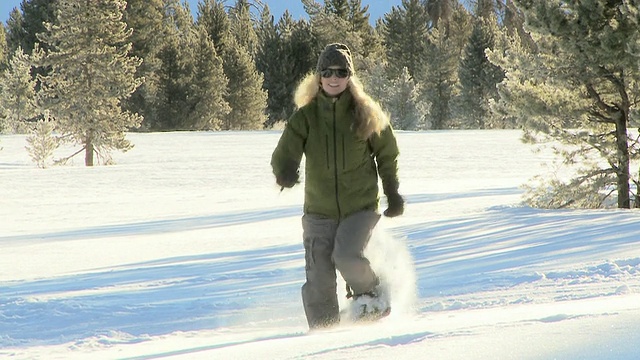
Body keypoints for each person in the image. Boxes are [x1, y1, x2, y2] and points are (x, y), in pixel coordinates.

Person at [270, 43, 404, 330]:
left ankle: (372, 295)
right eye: (328, 72)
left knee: (345, 255)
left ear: (349, 76)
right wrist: (285, 171)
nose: (334, 78)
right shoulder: (306, 117)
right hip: (319, 210)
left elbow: (387, 152)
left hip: (360, 207)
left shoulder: (365, 114)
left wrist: (391, 191)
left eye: (341, 72)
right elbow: (285, 151)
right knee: (318, 276)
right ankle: (324, 333)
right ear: (318, 76)